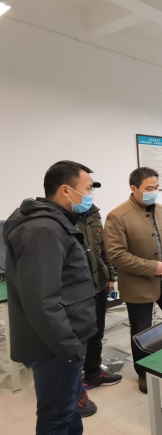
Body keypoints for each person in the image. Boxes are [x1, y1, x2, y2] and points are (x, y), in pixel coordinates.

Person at [3, 160, 98, 434]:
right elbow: (41, 301)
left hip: (64, 339)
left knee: (69, 408)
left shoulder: (56, 223)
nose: (90, 195)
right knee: (56, 416)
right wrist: (69, 349)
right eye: (87, 189)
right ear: (66, 190)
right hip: (55, 346)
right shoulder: (43, 230)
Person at [104, 167, 162, 394]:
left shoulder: (161, 209)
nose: (154, 192)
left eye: (156, 187)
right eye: (149, 188)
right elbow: (116, 254)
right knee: (141, 330)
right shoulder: (118, 216)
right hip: (138, 283)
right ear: (134, 188)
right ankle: (143, 372)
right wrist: (152, 267)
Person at [76, 197, 122, 417]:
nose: (89, 194)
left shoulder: (94, 215)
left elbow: (102, 249)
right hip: (77, 288)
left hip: (99, 284)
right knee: (78, 338)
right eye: (86, 188)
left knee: (97, 332)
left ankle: (93, 372)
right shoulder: (62, 219)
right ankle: (75, 390)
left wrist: (110, 275)